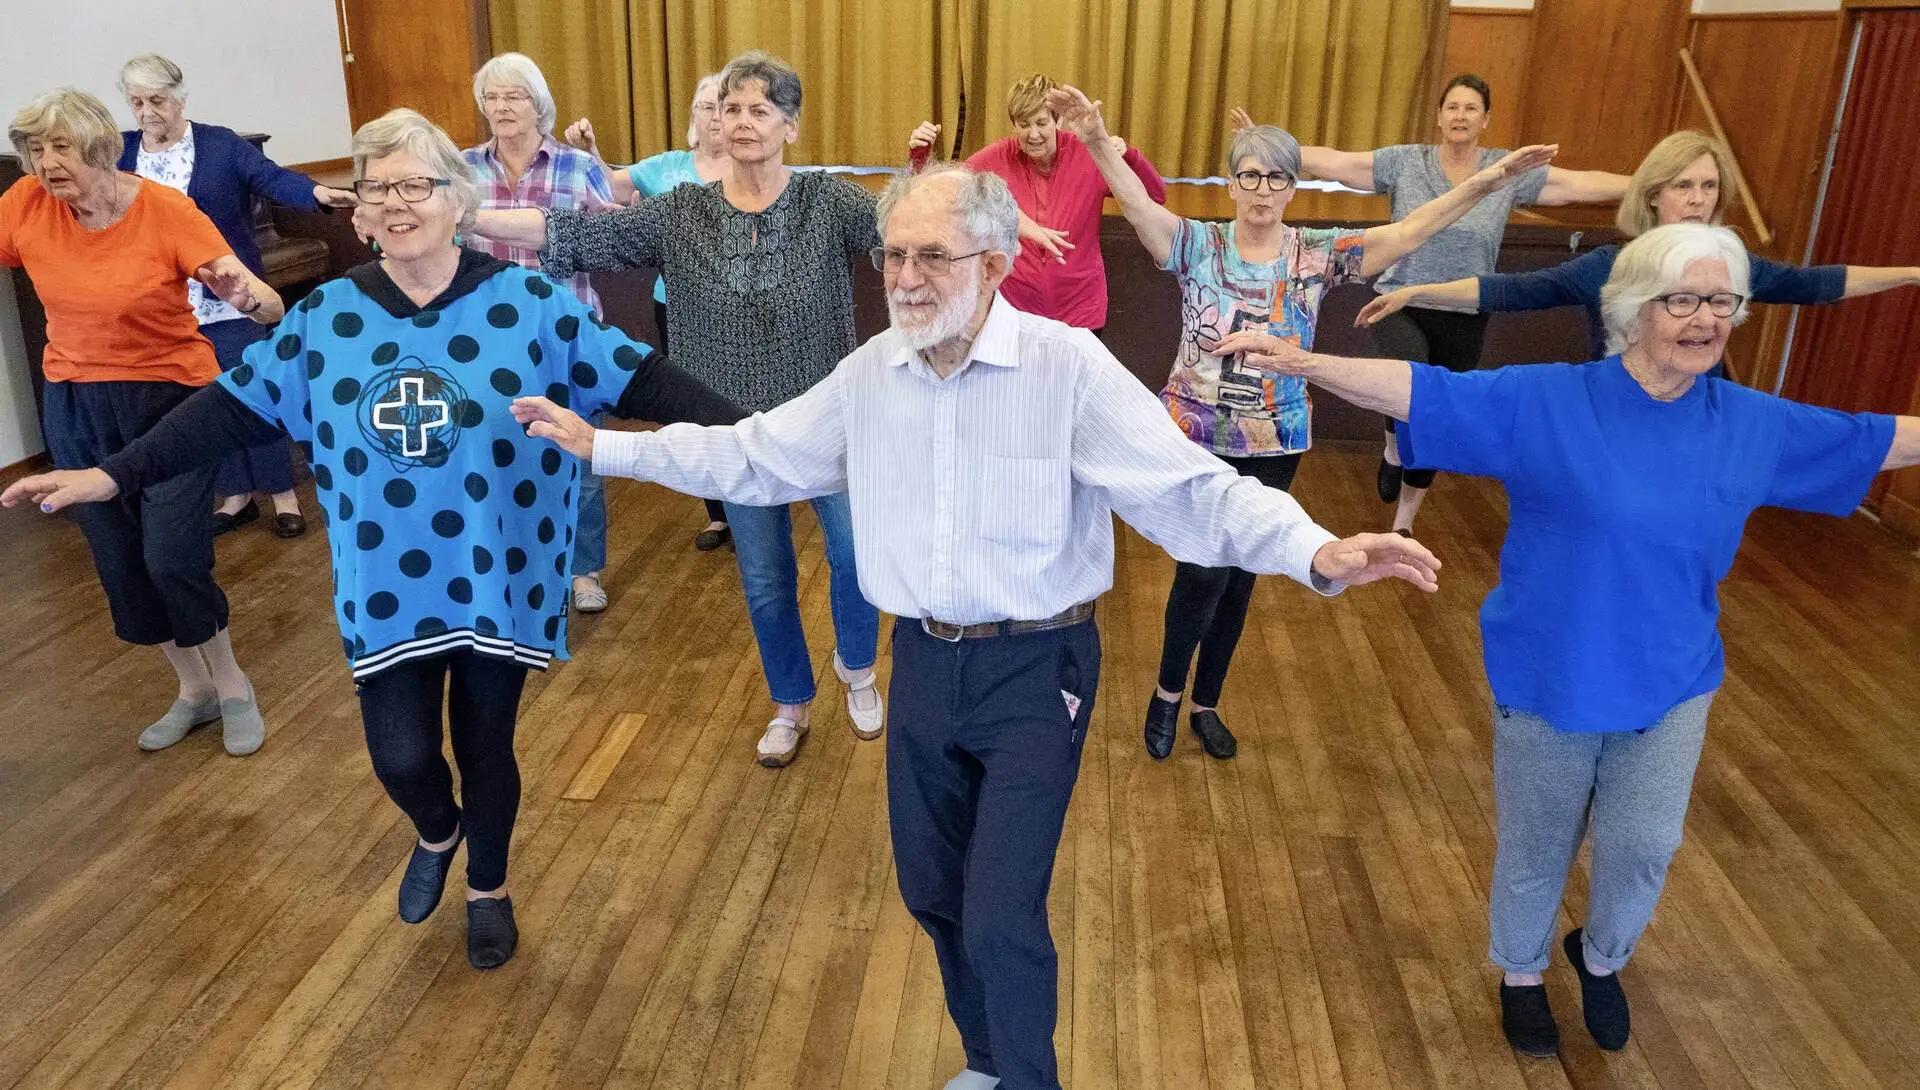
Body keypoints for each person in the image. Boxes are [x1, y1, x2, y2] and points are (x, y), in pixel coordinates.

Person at [507, 161, 1445, 1090]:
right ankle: (990, 1061)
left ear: (995, 264)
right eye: (892, 256)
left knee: (1001, 913)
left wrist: (1314, 549)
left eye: (932, 257)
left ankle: (1029, 1081)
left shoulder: (1066, 366)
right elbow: (758, 455)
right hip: (920, 660)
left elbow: (1186, 490)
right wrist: (607, 446)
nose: (905, 279)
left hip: (1040, 671)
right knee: (931, 892)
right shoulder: (870, 373)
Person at [3, 109, 739, 970]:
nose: (396, 203)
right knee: (400, 756)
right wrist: (111, 475)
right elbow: (225, 410)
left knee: (485, 743)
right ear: (357, 212)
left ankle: (487, 887)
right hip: (386, 579)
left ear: (456, 200)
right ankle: (438, 831)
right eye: (377, 188)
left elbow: (640, 374)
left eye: (416, 184)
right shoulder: (329, 319)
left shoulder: (527, 303)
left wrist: (753, 431)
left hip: (495, 570)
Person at [1213, 222, 1918, 1058]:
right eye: (1683, 300)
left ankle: (1601, 953)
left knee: (1643, 847)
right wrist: (1303, 362)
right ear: (1632, 310)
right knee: (1537, 845)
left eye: (1722, 302)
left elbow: (1873, 439)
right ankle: (1520, 972)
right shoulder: (1554, 399)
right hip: (1548, 673)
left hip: (1671, 680)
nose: (1706, 319)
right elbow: (1425, 392)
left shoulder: (1747, 423)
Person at [1045, 84, 1552, 761]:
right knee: (1201, 569)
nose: (1261, 189)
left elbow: (1411, 230)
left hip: (1275, 438)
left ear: (1291, 186)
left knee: (1246, 569)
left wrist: (1489, 180)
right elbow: (1134, 202)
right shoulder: (1197, 244)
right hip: (1195, 435)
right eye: (1249, 175)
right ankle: (1167, 695)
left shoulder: (1316, 253)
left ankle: (1207, 704)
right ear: (1231, 183)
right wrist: (1097, 137)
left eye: (1275, 177)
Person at [468, 50, 884, 769]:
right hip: (729, 428)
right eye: (731, 108)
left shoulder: (829, 202)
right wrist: (464, 215)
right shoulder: (681, 212)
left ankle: (859, 668)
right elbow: (575, 235)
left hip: (826, 422)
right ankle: (790, 701)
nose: (742, 122)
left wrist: (999, 232)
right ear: (714, 121)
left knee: (854, 556)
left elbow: (908, 230)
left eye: (760, 109)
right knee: (764, 576)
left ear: (791, 125)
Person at [2, 87, 282, 755]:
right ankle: (194, 689)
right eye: (34, 149)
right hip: (75, 402)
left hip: (173, 400)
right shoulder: (25, 206)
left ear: (97, 146)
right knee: (122, 562)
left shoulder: (163, 210)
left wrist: (248, 296)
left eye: (60, 146)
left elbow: (263, 301)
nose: (46, 162)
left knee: (171, 557)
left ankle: (234, 683)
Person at [1282, 74, 1631, 528]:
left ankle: (1404, 522)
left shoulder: (1506, 170)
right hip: (1399, 300)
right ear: (1439, 117)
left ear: (1485, 119)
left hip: (1466, 309)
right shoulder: (1406, 162)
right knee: (1413, 384)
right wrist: (1274, 145)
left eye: (1471, 108)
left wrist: (1654, 180)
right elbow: (1339, 164)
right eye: (1453, 107)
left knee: (1438, 413)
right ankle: (1392, 447)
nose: (1460, 115)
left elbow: (1576, 184)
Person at [1358, 128, 1920, 373]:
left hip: (1699, 413)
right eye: (1682, 186)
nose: (1697, 200)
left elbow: (1812, 284)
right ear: (1652, 195)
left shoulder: (1730, 261)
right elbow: (1519, 290)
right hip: (1620, 405)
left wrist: (1910, 274)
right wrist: (1417, 288)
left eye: (1707, 187)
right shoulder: (1612, 266)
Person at [117, 53, 356, 538]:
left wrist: (316, 195)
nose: (147, 112)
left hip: (229, 297)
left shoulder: (220, 146)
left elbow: (271, 179)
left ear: (181, 98)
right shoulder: (121, 153)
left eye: (157, 100)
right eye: (137, 102)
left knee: (252, 395)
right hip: (163, 310)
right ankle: (236, 496)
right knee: (200, 403)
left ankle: (284, 496)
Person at [461, 51, 621, 614]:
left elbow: (616, 238)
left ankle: (583, 573)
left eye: (515, 96)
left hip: (567, 333)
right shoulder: (461, 169)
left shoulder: (576, 166)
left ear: (539, 104)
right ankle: (514, 565)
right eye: (493, 97)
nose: (503, 107)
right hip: (481, 340)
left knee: (581, 459)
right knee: (494, 457)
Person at [565, 73, 737, 552]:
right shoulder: (666, 167)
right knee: (691, 405)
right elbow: (608, 189)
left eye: (724, 106)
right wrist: (592, 149)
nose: (715, 116)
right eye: (705, 106)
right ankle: (718, 514)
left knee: (741, 400)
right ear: (694, 119)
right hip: (676, 305)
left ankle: (755, 501)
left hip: (745, 306)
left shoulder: (752, 169)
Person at [904, 73, 1167, 333]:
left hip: (1081, 309)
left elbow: (1154, 196)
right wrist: (920, 155)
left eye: (1041, 123)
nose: (1033, 134)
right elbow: (939, 193)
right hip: (1017, 310)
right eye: (1023, 124)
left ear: (1058, 120)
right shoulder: (997, 157)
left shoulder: (1088, 153)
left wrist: (1129, 157)